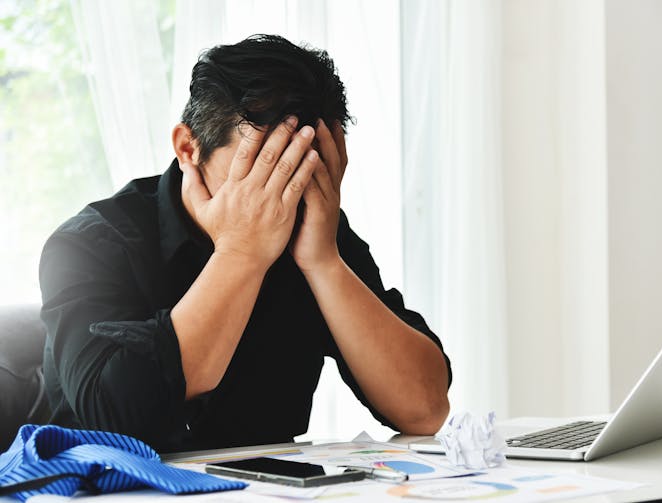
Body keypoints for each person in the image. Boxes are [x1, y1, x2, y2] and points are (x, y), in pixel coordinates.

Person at [38, 34, 451, 452]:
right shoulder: (88, 244)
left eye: (305, 168)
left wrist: (324, 262)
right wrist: (241, 254)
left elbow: (423, 409)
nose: (281, 193)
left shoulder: (317, 230)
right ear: (188, 148)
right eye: (264, 165)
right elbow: (114, 418)